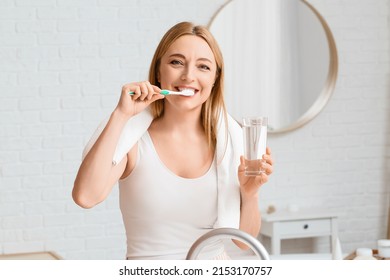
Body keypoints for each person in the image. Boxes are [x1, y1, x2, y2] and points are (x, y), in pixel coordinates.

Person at [72, 21, 273, 260]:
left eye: (203, 67)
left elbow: (243, 243)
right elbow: (85, 196)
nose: (189, 76)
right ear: (159, 71)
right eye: (176, 62)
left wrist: (250, 195)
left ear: (215, 79)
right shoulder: (134, 140)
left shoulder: (230, 143)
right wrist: (121, 115)